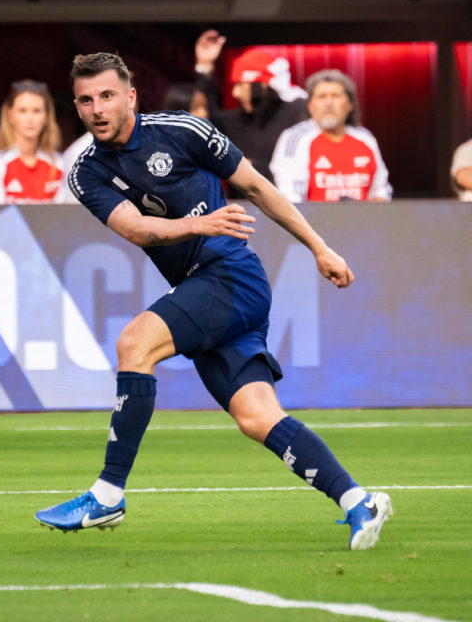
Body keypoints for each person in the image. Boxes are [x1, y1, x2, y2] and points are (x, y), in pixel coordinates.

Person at [35, 52, 392, 551]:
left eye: (108, 96)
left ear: (130, 96)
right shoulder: (85, 172)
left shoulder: (182, 130)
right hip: (202, 288)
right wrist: (195, 223)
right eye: (86, 100)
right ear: (76, 106)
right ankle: (360, 501)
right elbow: (136, 228)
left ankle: (107, 493)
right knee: (257, 417)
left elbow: (258, 188)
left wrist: (319, 247)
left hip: (230, 276)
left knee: (134, 343)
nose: (98, 108)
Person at [194, 30, 307, 181]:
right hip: (242, 204)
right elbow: (207, 117)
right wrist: (204, 66)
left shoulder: (298, 112)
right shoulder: (236, 120)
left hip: (291, 202)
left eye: (241, 85)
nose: (235, 93)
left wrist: (253, 168)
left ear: (260, 85)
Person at [270, 69, 392, 203]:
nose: (328, 103)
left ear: (350, 104)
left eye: (335, 96)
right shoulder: (295, 138)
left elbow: (381, 189)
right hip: (314, 221)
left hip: (365, 221)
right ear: (310, 106)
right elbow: (291, 197)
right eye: (322, 97)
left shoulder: (365, 138)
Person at [0, 80, 65, 204]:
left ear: (46, 116)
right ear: (10, 115)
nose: (30, 119)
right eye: (22, 111)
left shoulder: (59, 163)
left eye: (37, 111)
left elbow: (65, 216)